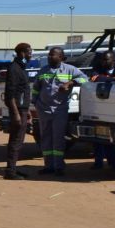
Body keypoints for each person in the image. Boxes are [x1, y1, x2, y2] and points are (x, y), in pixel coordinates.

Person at [32, 47, 87, 176]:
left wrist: (71, 82)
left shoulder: (70, 69)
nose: (50, 57)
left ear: (61, 57)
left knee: (58, 138)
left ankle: (59, 166)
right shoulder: (43, 70)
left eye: (53, 55)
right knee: (45, 138)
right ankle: (48, 166)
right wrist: (35, 102)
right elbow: (36, 88)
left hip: (60, 110)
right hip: (44, 109)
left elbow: (85, 79)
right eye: (49, 55)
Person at [3, 42, 33, 180]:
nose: (30, 54)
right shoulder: (14, 68)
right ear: (22, 53)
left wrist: (28, 111)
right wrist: (16, 114)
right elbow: (10, 95)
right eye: (29, 52)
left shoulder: (21, 68)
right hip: (18, 111)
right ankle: (10, 171)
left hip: (22, 110)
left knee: (18, 141)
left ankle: (13, 168)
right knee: (16, 140)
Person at [89, 50, 115, 170]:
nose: (103, 61)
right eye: (103, 59)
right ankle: (98, 163)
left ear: (113, 60)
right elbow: (95, 78)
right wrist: (113, 80)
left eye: (106, 59)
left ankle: (113, 162)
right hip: (100, 107)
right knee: (99, 137)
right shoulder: (97, 68)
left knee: (112, 138)